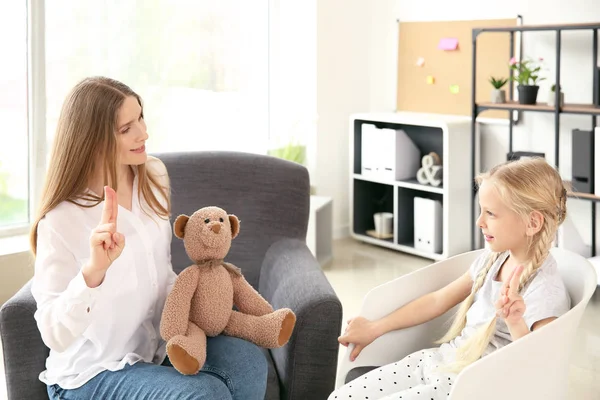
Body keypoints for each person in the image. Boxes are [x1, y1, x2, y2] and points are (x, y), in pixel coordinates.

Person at [30, 76, 268, 400]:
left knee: (250, 363)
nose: (143, 133)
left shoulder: (153, 176)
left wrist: (202, 297)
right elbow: (53, 334)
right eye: (126, 128)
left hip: (157, 347)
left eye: (140, 117)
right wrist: (93, 272)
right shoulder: (60, 220)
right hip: (93, 372)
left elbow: (160, 270)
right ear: (94, 140)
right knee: (205, 395)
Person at [329, 157, 572, 400]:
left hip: (468, 387)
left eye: (491, 213)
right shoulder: (493, 260)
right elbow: (438, 300)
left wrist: (515, 322)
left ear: (532, 222)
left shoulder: (546, 292)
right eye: (481, 211)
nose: (479, 222)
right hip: (439, 362)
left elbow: (541, 369)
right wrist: (375, 327)